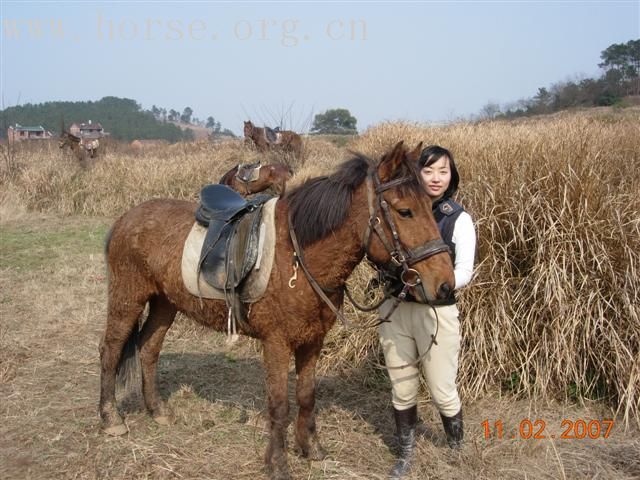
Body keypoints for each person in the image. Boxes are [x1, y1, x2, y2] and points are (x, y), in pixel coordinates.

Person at [378, 145, 476, 478]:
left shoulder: (457, 218)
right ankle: (406, 453)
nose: (435, 178)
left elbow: (464, 271)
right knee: (401, 386)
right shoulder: (397, 207)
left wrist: (427, 283)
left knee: (442, 389)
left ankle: (457, 447)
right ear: (415, 174)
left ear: (452, 176)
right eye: (428, 170)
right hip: (395, 310)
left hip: (436, 313)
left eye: (443, 171)